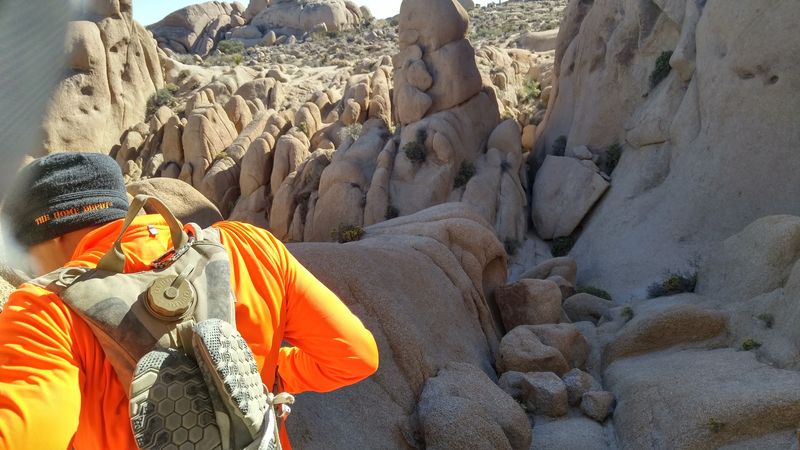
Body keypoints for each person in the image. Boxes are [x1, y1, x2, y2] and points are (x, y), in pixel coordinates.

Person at [0, 152, 379, 449]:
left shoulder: (44, 311)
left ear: (48, 236)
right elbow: (356, 356)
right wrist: (247, 368)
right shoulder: (248, 246)